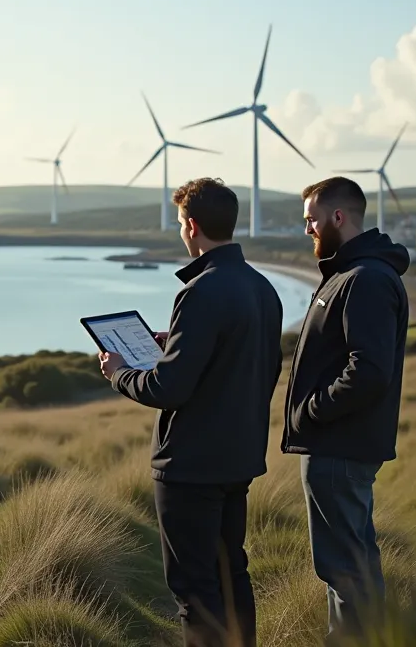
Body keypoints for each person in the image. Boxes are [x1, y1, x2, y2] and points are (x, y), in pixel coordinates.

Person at [99, 177, 283, 647]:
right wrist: (175, 342)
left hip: (191, 468)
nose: (181, 231)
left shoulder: (200, 291)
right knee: (231, 576)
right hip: (239, 458)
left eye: (181, 222)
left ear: (193, 226)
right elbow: (253, 365)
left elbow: (168, 387)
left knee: (195, 592)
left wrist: (119, 371)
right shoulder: (262, 288)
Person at [283, 176, 409, 638]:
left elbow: (369, 370)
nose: (307, 229)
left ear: (338, 217)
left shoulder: (367, 279)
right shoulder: (349, 274)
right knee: (351, 564)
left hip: (339, 446)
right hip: (337, 445)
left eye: (311, 219)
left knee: (345, 570)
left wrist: (314, 410)